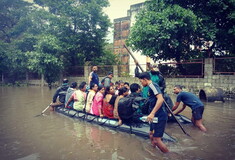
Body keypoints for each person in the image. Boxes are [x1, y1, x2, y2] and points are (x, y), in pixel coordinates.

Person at [138, 72, 169, 153]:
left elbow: (160, 99)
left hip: (159, 115)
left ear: (145, 79)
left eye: (141, 82)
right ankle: (153, 151)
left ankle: (169, 155)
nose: (141, 84)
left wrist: (152, 113)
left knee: (157, 139)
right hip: (154, 116)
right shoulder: (149, 87)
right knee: (151, 134)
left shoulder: (153, 85)